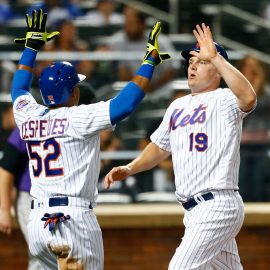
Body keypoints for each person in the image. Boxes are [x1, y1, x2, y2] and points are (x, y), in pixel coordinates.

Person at [10, 9, 170, 269]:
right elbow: (126, 104)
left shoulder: (27, 115)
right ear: (73, 93)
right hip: (72, 220)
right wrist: (149, 62)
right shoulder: (79, 117)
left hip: (38, 221)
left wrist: (30, 47)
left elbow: (18, 88)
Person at [104, 23, 257, 269]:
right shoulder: (178, 105)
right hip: (194, 209)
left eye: (201, 61)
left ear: (218, 71)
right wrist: (131, 168)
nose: (193, 65)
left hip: (217, 203)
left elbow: (249, 97)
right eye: (191, 61)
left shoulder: (225, 98)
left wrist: (215, 57)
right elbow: (160, 146)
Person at [0, 82, 95, 270]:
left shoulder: (36, 120)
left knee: (54, 259)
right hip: (33, 199)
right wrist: (4, 208)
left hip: (61, 202)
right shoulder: (34, 121)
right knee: (50, 258)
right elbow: (6, 167)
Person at [106, 7, 179, 91]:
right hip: (130, 89)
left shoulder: (160, 40)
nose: (127, 28)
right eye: (126, 24)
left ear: (142, 25)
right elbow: (121, 71)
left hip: (159, 88)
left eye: (131, 24)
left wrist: (154, 87)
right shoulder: (118, 40)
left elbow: (173, 68)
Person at [0, 128, 43, 270]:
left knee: (52, 254)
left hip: (56, 198)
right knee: (41, 253)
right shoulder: (26, 126)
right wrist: (5, 209)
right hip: (28, 198)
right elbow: (6, 169)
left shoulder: (65, 120)